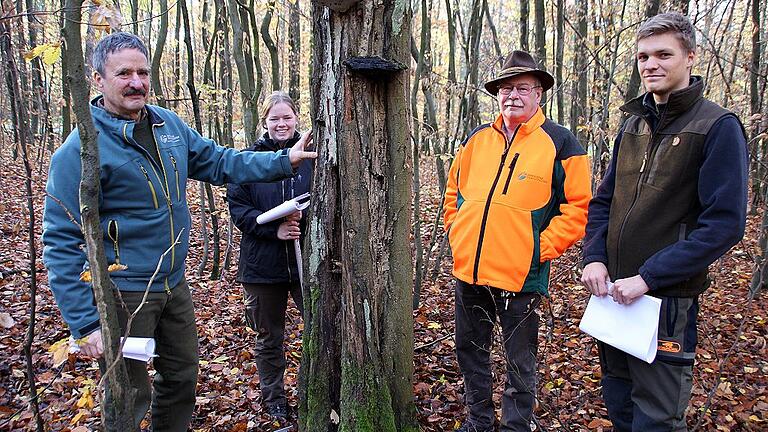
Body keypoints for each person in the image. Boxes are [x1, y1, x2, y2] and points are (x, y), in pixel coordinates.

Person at [41, 32, 316, 431]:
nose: (136, 82)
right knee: (128, 394)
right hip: (125, 291)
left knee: (183, 378)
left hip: (173, 283)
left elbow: (221, 162)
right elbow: (60, 238)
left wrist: (282, 161)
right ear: (98, 79)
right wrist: (84, 322)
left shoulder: (167, 125)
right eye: (124, 74)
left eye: (143, 72)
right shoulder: (81, 149)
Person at [581, 12, 747, 431]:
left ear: (691, 57)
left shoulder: (717, 126)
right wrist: (594, 259)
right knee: (619, 406)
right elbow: (603, 203)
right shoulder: (633, 124)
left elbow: (724, 224)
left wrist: (650, 277)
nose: (650, 65)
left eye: (663, 55)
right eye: (643, 57)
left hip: (665, 301)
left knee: (656, 417)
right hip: (613, 297)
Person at [443, 50, 592, 432]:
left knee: (519, 361)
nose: (513, 95)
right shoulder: (478, 138)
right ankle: (479, 421)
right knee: (470, 352)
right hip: (469, 271)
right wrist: (456, 234)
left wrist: (539, 249)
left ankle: (515, 426)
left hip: (521, 277)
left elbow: (578, 208)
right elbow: (452, 191)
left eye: (523, 88)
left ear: (539, 93)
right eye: (506, 88)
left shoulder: (561, 143)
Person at [226, 91, 311, 419]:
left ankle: (313, 389)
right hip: (262, 264)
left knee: (317, 327)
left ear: (295, 119)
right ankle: (274, 399)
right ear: (264, 122)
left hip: (306, 261)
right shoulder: (249, 160)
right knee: (269, 337)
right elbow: (239, 210)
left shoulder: (309, 158)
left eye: (286, 117)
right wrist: (273, 231)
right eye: (274, 118)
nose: (281, 124)